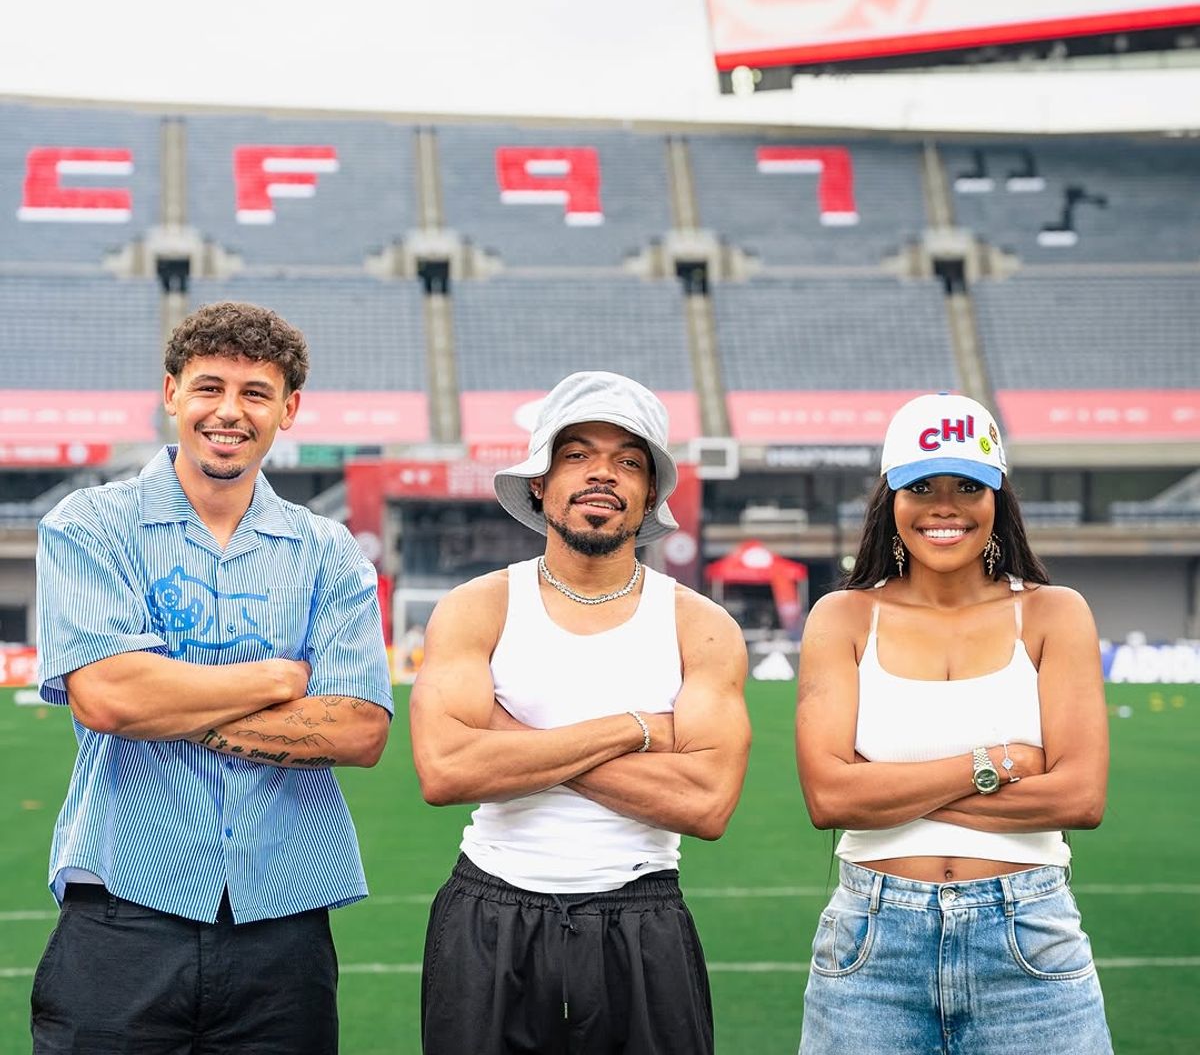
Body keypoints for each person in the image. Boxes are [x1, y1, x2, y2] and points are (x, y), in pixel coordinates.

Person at [32, 301, 394, 1054]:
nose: (229, 411)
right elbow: (106, 697)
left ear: (288, 410)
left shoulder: (329, 552)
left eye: (255, 393)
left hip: (283, 927)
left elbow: (359, 729)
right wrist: (275, 681)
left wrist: (162, 701)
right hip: (121, 910)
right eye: (209, 387)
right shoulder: (90, 524)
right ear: (172, 393)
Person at [410, 370, 751, 1055]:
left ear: (650, 492)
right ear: (540, 481)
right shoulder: (478, 607)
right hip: (491, 911)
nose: (602, 474)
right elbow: (446, 772)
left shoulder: (700, 625)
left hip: (642, 913)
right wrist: (634, 729)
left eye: (628, 461)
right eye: (577, 455)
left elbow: (706, 804)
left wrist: (510, 741)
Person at [794, 392, 1113, 1054]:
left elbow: (1079, 798)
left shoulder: (1055, 613)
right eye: (921, 487)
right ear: (891, 499)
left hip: (1031, 939)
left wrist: (889, 792)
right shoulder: (842, 617)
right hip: (870, 947)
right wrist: (997, 763)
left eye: (968, 486)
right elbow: (829, 799)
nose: (945, 507)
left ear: (999, 498)